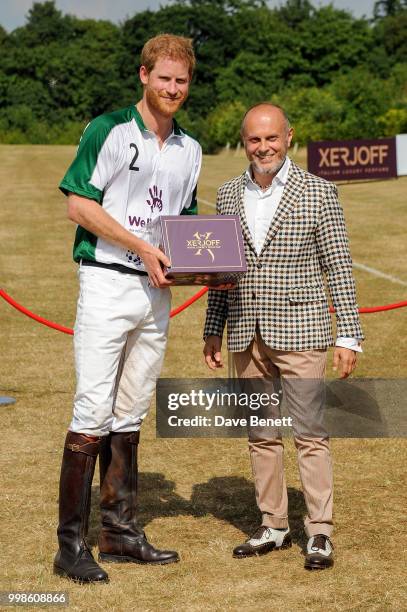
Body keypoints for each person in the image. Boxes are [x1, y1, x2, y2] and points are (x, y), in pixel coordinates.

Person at [54, 34, 202, 583]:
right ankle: (70, 546)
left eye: (181, 81)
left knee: (131, 411)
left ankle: (119, 533)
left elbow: (183, 227)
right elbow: (77, 202)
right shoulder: (109, 128)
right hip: (107, 284)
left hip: (155, 293)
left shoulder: (190, 148)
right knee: (92, 410)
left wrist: (202, 268)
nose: (172, 88)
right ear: (143, 75)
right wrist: (141, 246)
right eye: (163, 78)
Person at [203, 102, 364, 570]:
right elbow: (220, 271)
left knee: (310, 434)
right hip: (245, 333)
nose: (263, 147)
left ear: (289, 137)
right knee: (260, 433)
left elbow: (339, 267)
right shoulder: (229, 193)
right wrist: (213, 328)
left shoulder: (319, 192)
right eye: (255, 139)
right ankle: (273, 525)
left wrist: (349, 335)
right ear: (244, 141)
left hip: (302, 330)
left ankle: (320, 532)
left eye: (271, 138)